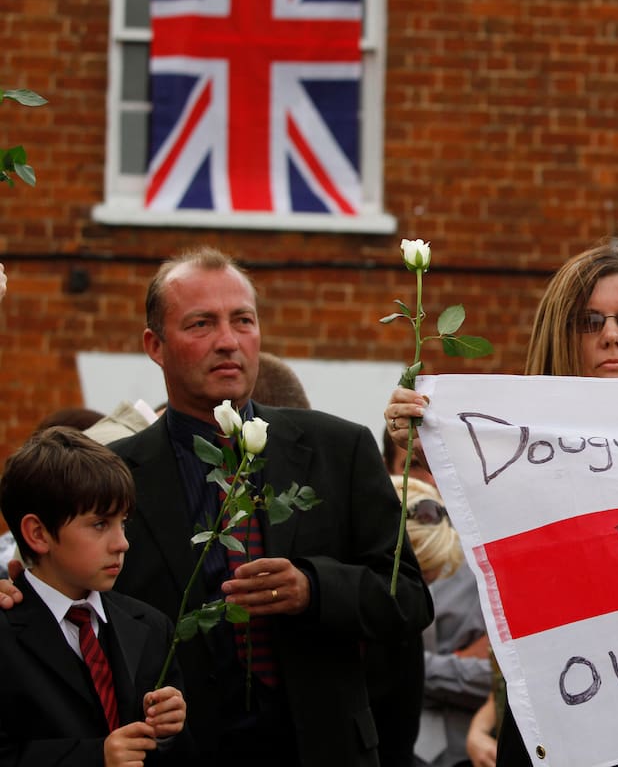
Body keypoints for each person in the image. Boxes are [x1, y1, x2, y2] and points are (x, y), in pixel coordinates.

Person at [1, 247, 433, 767]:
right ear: (154, 346)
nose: (228, 341)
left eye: (242, 321)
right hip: (180, 751)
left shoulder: (338, 450)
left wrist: (313, 588)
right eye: (201, 324)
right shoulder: (111, 477)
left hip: (322, 748)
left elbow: (407, 601)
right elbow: (62, 596)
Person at [384, 240, 618, 766]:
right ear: (561, 335)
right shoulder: (510, 452)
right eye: (587, 321)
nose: (611, 335)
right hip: (562, 729)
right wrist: (430, 439)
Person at [0, 427, 190, 765]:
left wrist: (169, 730)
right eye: (100, 524)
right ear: (38, 534)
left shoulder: (150, 626)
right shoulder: (6, 631)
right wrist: (95, 757)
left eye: (123, 522)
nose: (122, 543)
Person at [401, 477, 492, 767]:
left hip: (470, 752)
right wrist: (458, 661)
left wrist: (413, 666)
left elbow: (500, 676)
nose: (429, 476)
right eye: (413, 464)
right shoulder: (363, 574)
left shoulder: (483, 561)